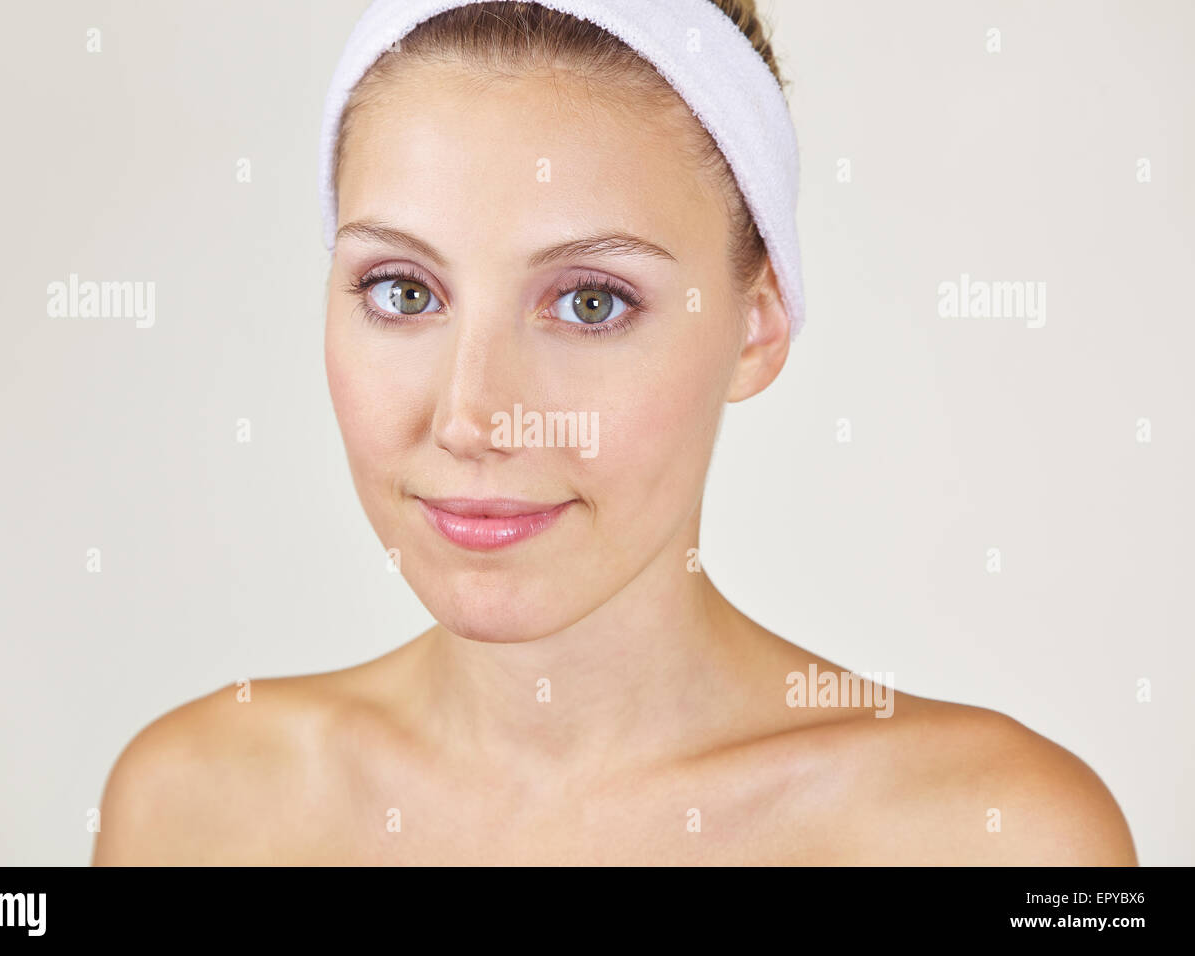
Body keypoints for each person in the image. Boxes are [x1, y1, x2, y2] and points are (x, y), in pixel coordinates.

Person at [93, 0, 1137, 865]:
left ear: (756, 327)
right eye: (403, 289)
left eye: (590, 301)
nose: (472, 416)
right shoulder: (194, 809)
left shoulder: (996, 837)